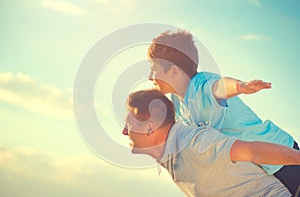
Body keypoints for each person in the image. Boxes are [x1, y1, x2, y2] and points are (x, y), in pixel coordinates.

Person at [147, 29, 300, 195]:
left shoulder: (202, 84)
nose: (150, 76)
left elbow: (219, 87)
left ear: (174, 71)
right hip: (260, 168)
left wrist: (240, 87)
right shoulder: (177, 101)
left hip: (281, 156)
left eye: (154, 68)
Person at [122, 89, 300, 197]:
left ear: (149, 128)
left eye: (128, 125)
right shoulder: (170, 154)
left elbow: (252, 151)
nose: (124, 131)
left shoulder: (194, 142)